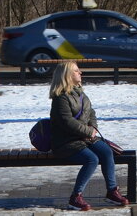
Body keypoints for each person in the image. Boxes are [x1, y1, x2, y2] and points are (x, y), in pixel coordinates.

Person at [49, 60, 129, 211]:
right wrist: (87, 131)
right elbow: (67, 122)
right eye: (76, 70)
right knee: (91, 159)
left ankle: (112, 191)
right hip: (66, 142)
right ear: (66, 75)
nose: (80, 73)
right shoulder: (60, 98)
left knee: (106, 151)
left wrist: (93, 127)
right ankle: (75, 197)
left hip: (84, 138)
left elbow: (91, 113)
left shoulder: (80, 93)